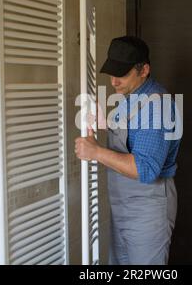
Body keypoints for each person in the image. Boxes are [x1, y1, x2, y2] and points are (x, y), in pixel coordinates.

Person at [75, 36, 181, 265]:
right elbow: (133, 137)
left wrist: (96, 152)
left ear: (144, 70)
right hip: (123, 205)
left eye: (121, 74)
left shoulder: (157, 106)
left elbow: (146, 169)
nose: (114, 81)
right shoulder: (131, 97)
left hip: (147, 210)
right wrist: (105, 122)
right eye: (112, 73)